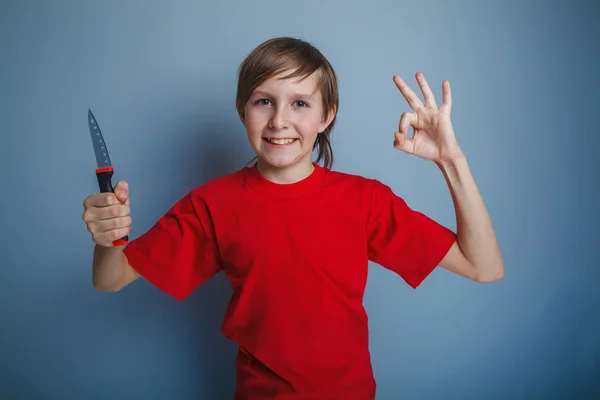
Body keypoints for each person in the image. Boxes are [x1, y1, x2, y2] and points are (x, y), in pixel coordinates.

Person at [82, 37, 503, 399]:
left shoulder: (365, 200)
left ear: (327, 115)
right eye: (264, 101)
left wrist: (451, 160)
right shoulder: (213, 204)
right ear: (242, 109)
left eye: (300, 103)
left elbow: (482, 266)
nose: (279, 120)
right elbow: (109, 278)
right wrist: (108, 238)